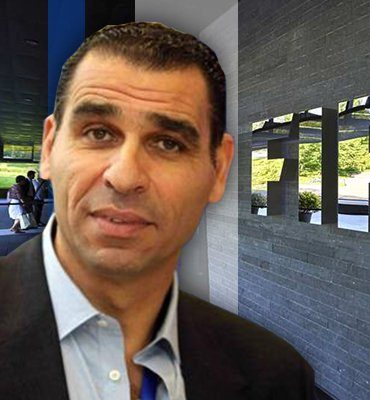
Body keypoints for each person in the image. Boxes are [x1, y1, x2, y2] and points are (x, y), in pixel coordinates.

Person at [0, 22, 315, 400]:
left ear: (218, 169)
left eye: (168, 143)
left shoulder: (277, 377)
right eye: (98, 132)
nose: (125, 177)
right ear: (49, 148)